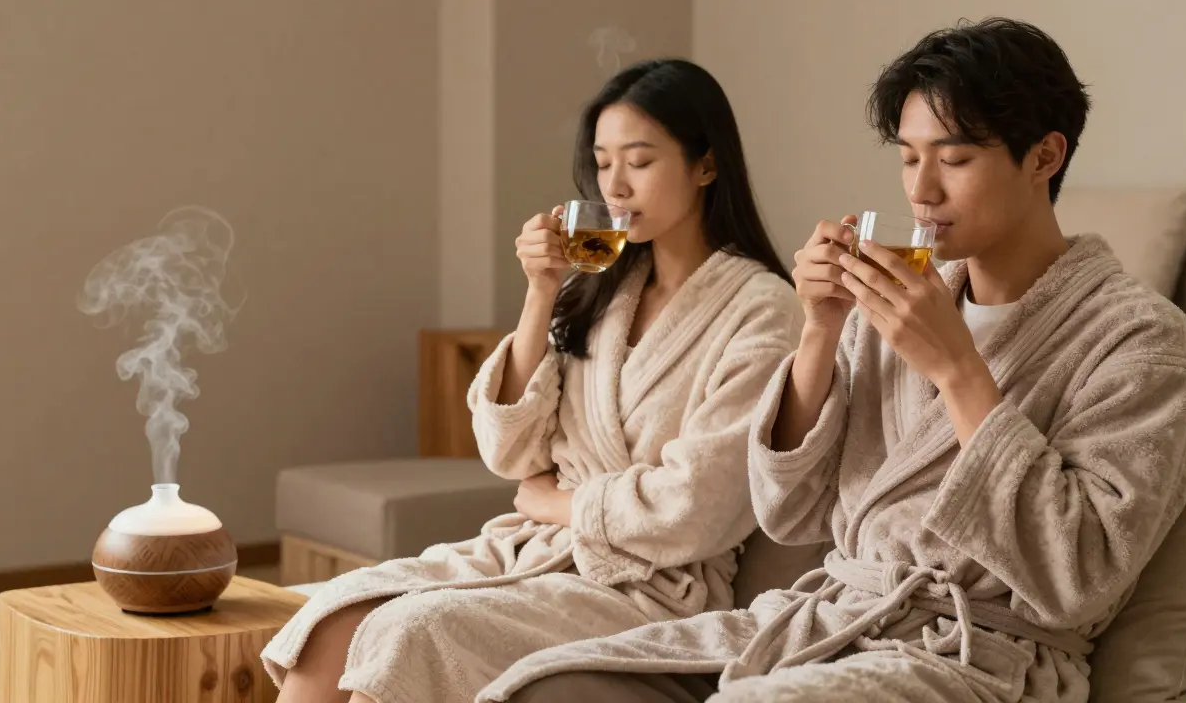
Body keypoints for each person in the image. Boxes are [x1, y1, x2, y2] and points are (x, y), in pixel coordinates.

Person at [484, 17, 1186, 703]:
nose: (920, 191)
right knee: (547, 684)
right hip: (828, 622)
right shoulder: (896, 303)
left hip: (978, 662)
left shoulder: (1141, 339)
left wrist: (958, 370)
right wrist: (820, 333)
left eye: (953, 159)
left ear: (1045, 156)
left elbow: (1081, 572)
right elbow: (789, 512)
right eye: (908, 158)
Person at [261, 58, 804, 703]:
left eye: (640, 160)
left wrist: (558, 504)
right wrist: (541, 292)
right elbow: (510, 452)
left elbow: (698, 508)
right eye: (603, 163)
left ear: (706, 166)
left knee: (412, 627)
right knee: (337, 615)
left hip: (650, 586)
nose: (617, 185)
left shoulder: (763, 308)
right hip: (536, 553)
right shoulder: (600, 287)